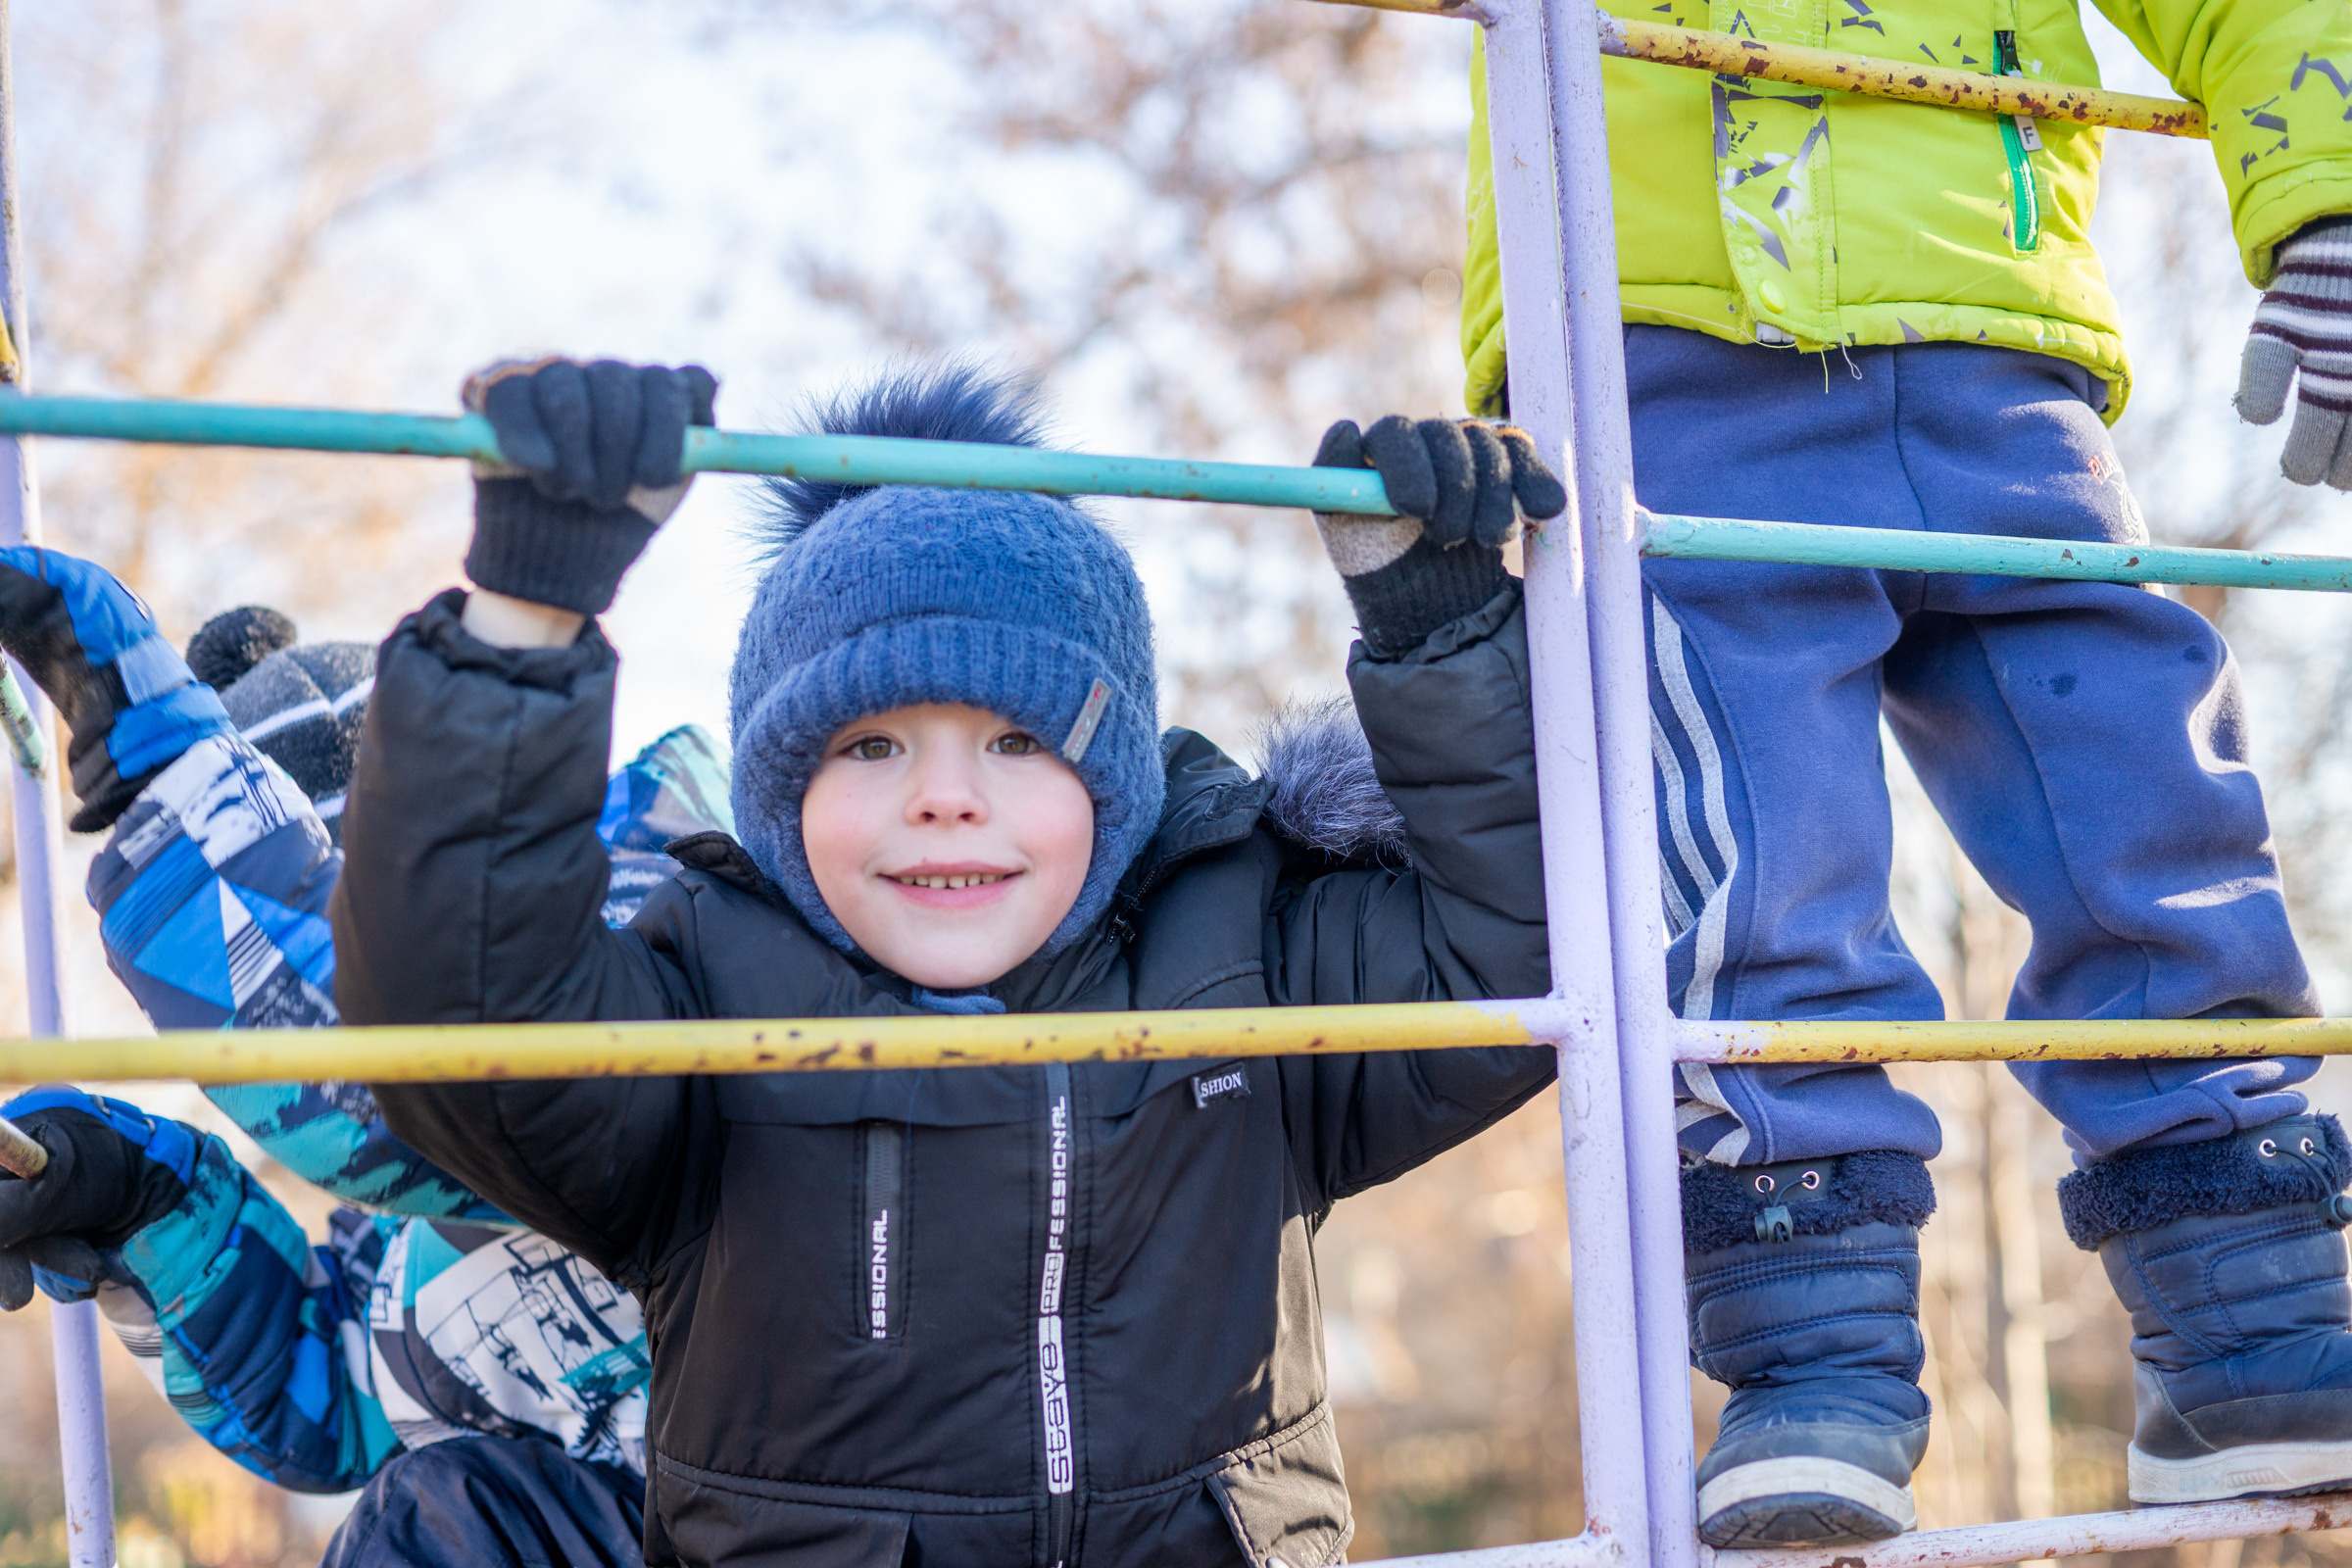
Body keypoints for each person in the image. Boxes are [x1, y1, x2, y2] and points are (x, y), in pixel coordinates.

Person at [322, 357, 1570, 1567]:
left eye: (1019, 737)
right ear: (778, 789)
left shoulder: (1240, 955)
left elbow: (1508, 959)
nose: (946, 801)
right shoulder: (710, 997)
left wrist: (1444, 644)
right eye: (870, 745)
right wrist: (526, 617)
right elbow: (462, 1019)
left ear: (1117, 781)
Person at [1457, 0, 2352, 1546]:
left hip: (2002, 362)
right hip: (1666, 356)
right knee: (1754, 861)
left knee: (2149, 797)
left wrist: (2326, 199)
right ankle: (1813, 1368)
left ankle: (2253, 1323)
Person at [0, 568, 727, 1567]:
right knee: (428, 1508)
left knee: (444, 1514)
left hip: (767, 1518)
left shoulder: (647, 962)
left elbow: (413, 1077)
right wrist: (140, 1200)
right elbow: (331, 1394)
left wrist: (162, 783)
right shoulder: (415, 1235)